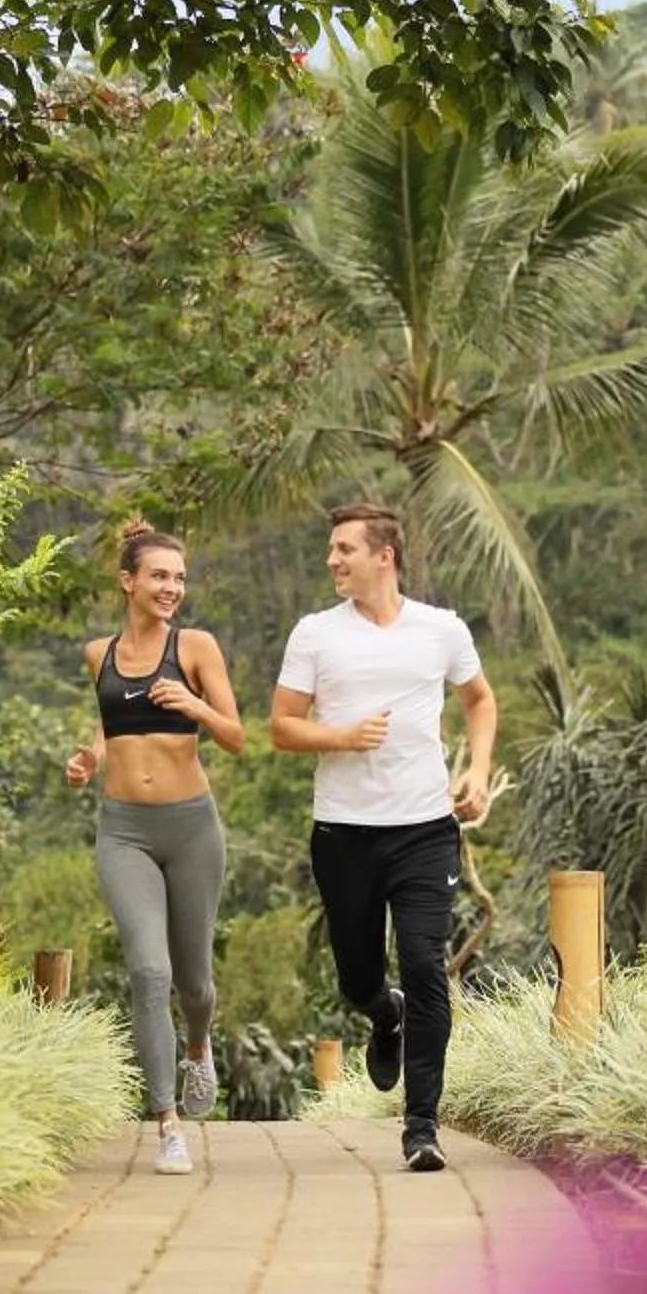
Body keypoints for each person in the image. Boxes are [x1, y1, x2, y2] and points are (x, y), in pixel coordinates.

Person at [269, 501, 497, 1173]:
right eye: (332, 548)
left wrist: (478, 770)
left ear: (384, 556)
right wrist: (338, 736)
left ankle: (421, 1127)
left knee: (428, 967)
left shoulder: (440, 630)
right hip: (344, 833)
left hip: (426, 829)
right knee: (357, 975)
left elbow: (480, 699)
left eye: (345, 548)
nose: (333, 559)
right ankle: (382, 1010)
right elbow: (282, 726)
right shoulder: (315, 635)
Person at [67, 520, 243, 1177]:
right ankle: (168, 1123)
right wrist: (91, 758)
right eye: (159, 576)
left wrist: (193, 707)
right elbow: (113, 725)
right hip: (124, 831)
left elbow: (236, 736)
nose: (172, 587)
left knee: (194, 981)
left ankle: (199, 1046)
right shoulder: (98, 654)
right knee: (149, 972)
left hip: (191, 830)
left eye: (179, 577)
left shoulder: (195, 647)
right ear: (128, 581)